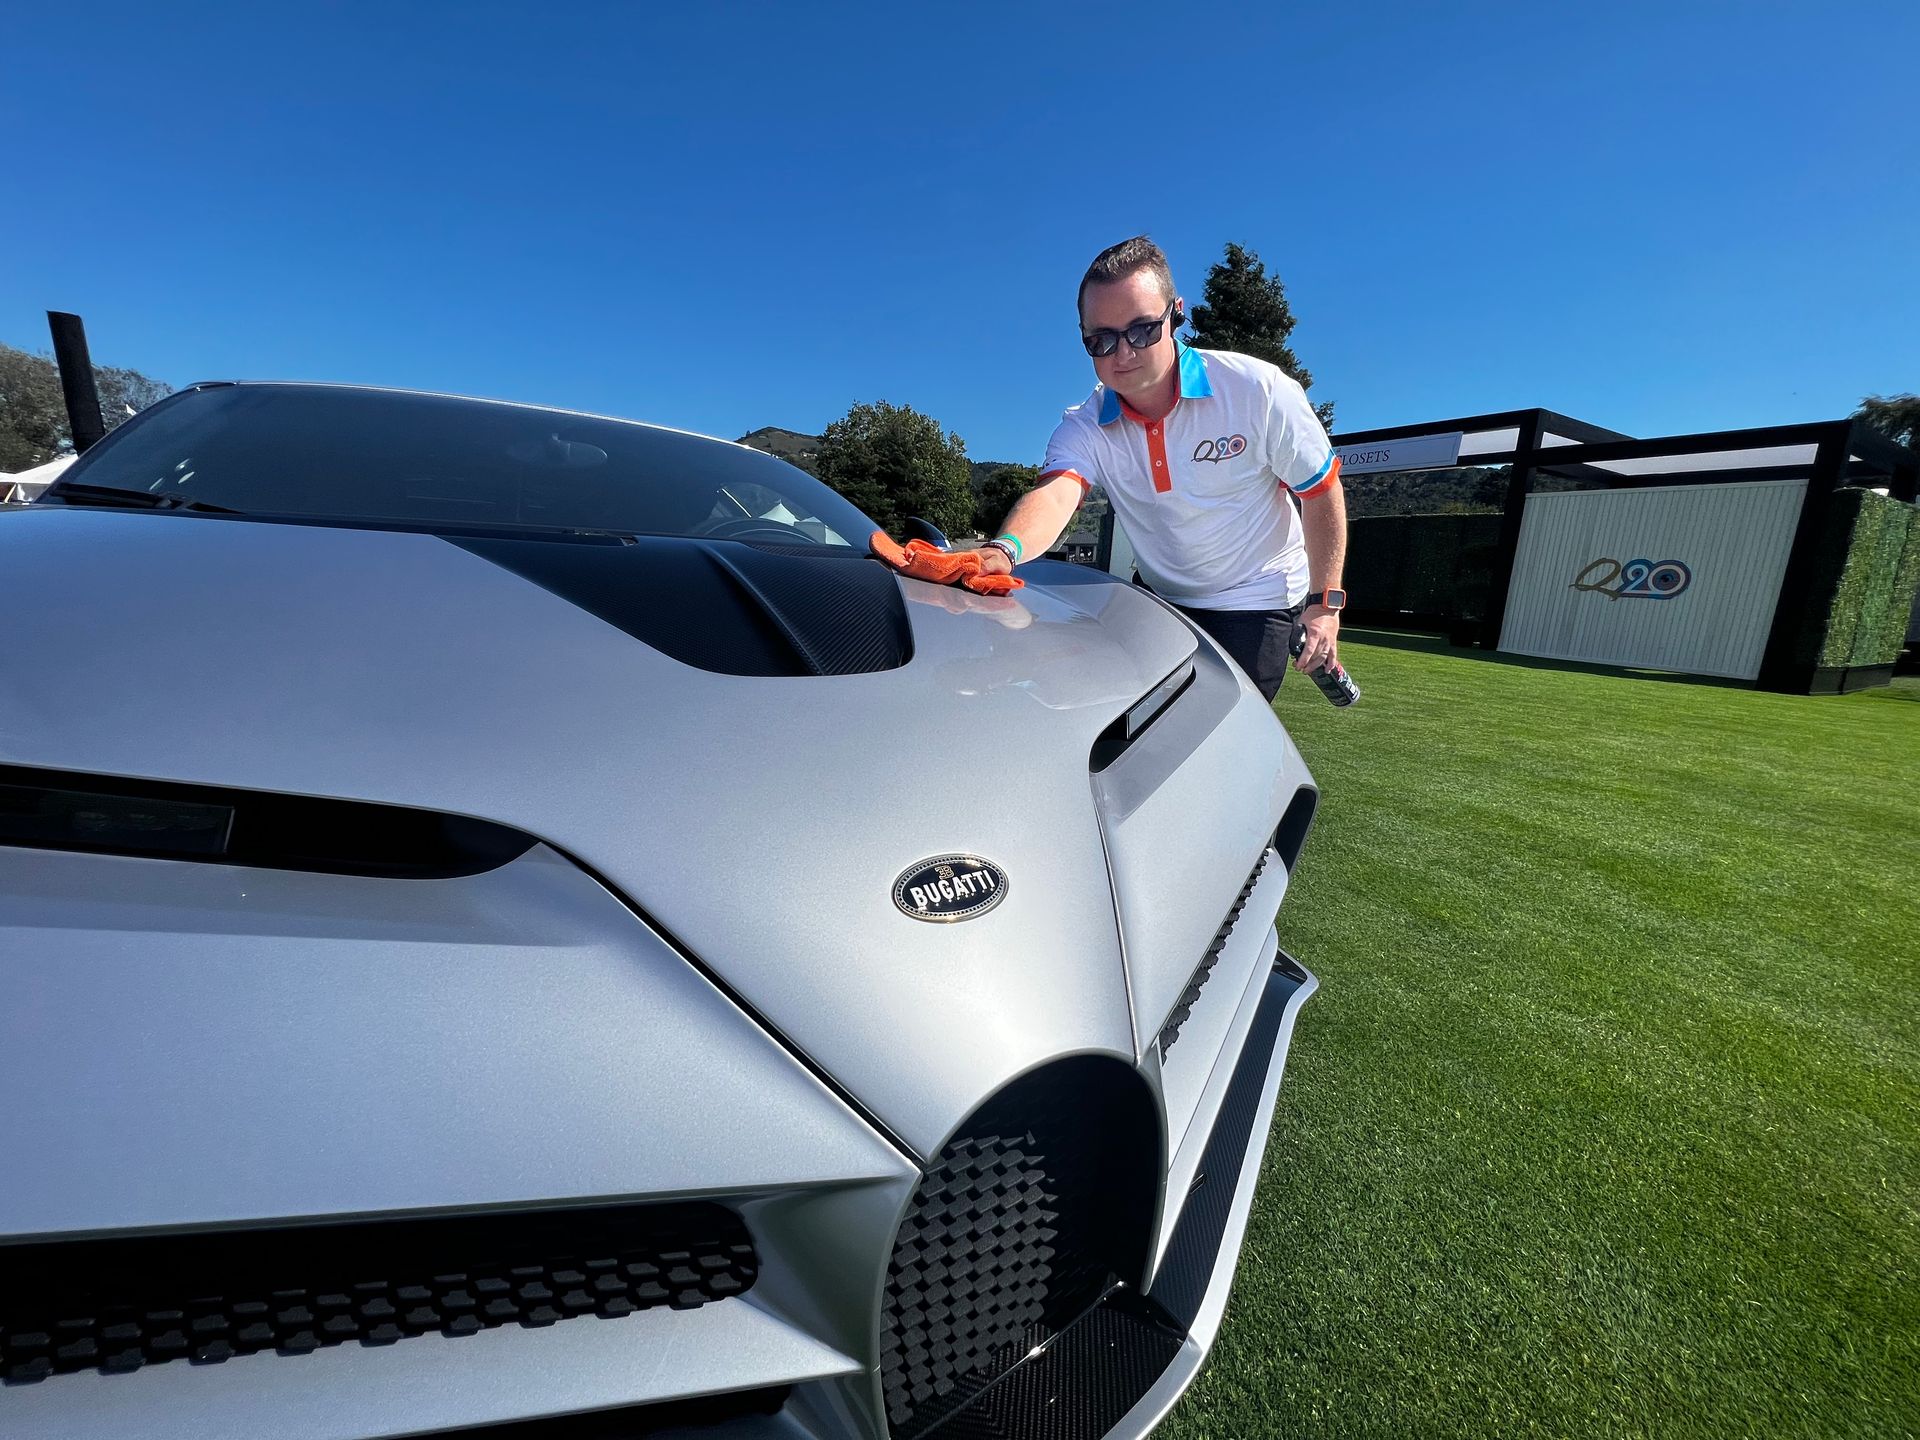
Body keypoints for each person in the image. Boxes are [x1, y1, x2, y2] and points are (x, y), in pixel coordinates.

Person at [978, 236, 1347, 702]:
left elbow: (1321, 491)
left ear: (1175, 314)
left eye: (1142, 330)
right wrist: (1001, 551)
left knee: (1209, 738)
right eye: (1101, 340)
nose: (1123, 353)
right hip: (1158, 597)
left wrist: (1324, 606)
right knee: (1122, 721)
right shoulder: (1086, 422)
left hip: (1255, 602)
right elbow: (1055, 495)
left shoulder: (1257, 390)